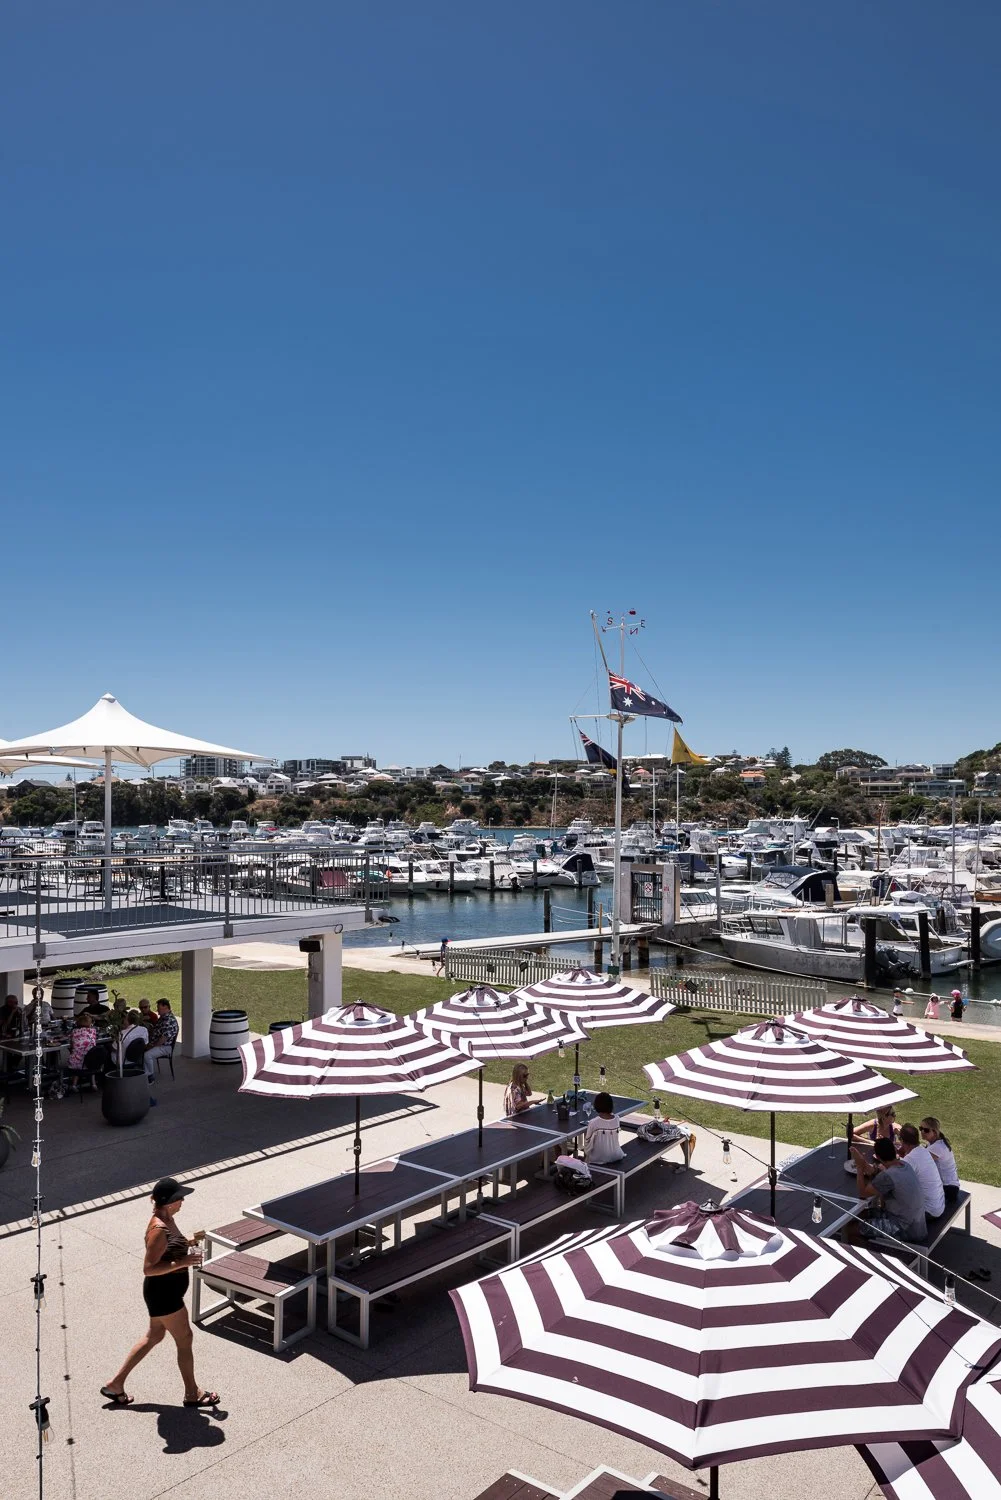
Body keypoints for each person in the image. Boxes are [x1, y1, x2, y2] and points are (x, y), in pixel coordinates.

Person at [100, 1177, 218, 1409]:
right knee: (185, 1339)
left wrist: (187, 1242)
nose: (183, 1200)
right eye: (179, 1197)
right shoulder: (158, 1229)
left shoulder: (168, 1220)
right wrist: (182, 1262)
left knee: (154, 1336)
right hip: (164, 1294)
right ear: (169, 1202)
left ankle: (115, 1384)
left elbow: (169, 1249)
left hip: (163, 1293)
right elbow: (149, 1268)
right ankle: (192, 1394)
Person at [850, 1137, 927, 1243]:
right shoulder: (905, 1165)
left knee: (851, 1228)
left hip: (905, 1228)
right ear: (895, 1150)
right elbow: (884, 1177)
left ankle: (867, 1256)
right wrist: (865, 1164)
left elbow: (863, 1193)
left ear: (877, 1156)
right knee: (858, 1215)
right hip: (916, 1224)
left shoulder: (888, 1176)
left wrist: (859, 1166)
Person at [897, 1123, 945, 1219]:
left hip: (928, 1212)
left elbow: (897, 1181)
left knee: (893, 1199)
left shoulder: (910, 1159)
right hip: (939, 1206)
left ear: (902, 1140)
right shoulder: (923, 1151)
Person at [920, 1117, 961, 1205]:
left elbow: (919, 1161)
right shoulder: (936, 1143)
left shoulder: (937, 1147)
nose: (922, 1132)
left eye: (926, 1130)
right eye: (921, 1129)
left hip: (948, 1189)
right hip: (950, 1187)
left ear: (934, 1132)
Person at [144, 999, 179, 1097]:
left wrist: (151, 1046)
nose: (157, 1010)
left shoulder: (168, 1021)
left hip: (164, 1047)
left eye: (159, 1008)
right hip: (157, 1043)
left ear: (166, 1007)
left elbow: (163, 1039)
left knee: (147, 1055)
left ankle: (150, 1076)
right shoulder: (163, 1018)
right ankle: (143, 1073)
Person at [582, 1092, 625, 1164]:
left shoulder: (593, 1122)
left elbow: (587, 1143)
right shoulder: (617, 1118)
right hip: (616, 1155)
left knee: (583, 1160)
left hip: (598, 1158)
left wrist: (586, 1156)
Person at [66, 1010, 99, 1087]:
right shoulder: (93, 1031)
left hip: (76, 1063)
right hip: (91, 1061)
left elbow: (71, 1045)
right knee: (90, 1059)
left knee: (78, 1056)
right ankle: (93, 1084)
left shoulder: (74, 1032)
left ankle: (74, 1084)